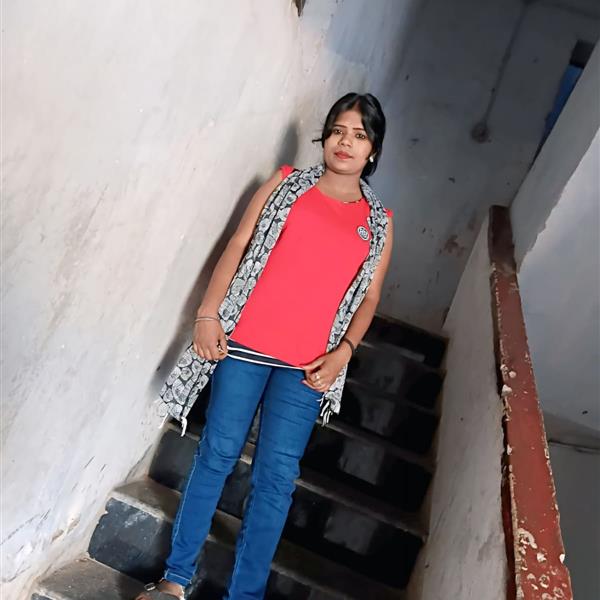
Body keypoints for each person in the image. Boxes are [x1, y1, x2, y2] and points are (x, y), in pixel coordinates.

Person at [136, 92, 394, 600]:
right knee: (217, 455)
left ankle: (245, 595)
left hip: (308, 369)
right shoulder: (285, 185)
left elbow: (369, 297)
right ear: (325, 137)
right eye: (338, 130)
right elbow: (238, 244)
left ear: (373, 151)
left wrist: (344, 352)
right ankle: (174, 580)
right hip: (243, 347)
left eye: (359, 135)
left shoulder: (380, 222)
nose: (345, 142)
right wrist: (207, 314)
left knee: (275, 480)